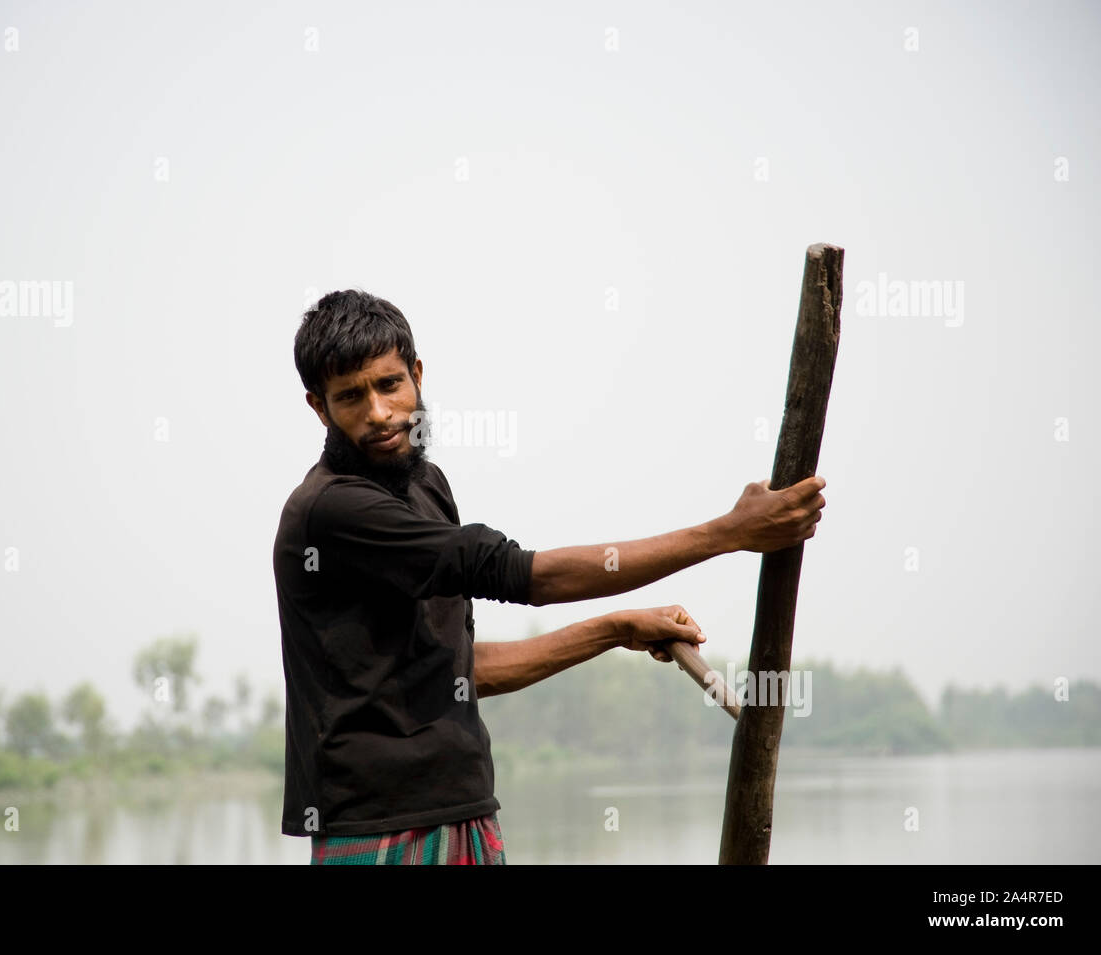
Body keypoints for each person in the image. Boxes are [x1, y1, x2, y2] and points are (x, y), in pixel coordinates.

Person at [272, 289, 826, 865]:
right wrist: (729, 533)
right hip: (377, 830)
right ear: (319, 407)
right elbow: (516, 573)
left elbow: (463, 668)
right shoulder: (331, 511)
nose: (379, 413)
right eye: (350, 396)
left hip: (466, 814)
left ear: (416, 375)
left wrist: (615, 629)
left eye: (389, 385)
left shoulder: (426, 486)